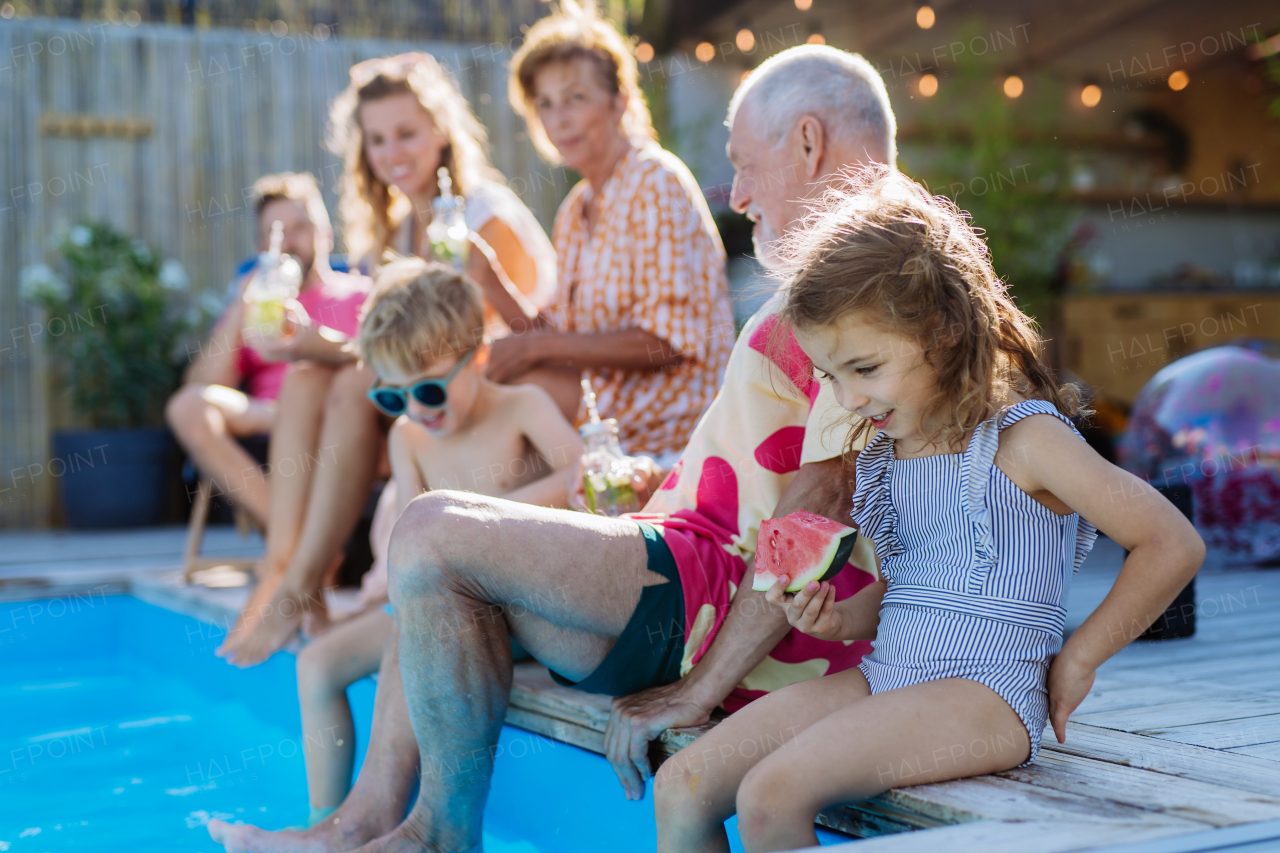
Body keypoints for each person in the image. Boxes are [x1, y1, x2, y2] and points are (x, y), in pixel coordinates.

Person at [207, 40, 898, 853]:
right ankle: (365, 827)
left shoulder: (858, 279)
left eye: (745, 166)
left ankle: (428, 835)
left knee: (433, 531)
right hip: (675, 545)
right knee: (438, 556)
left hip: (703, 575)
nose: (737, 195)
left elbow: (818, 497)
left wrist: (702, 686)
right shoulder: (846, 268)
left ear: (810, 143)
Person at [653, 166, 1207, 853]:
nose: (848, 399)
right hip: (890, 675)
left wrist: (1079, 656)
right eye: (830, 376)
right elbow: (910, 590)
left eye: (864, 368)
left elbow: (1171, 541)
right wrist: (838, 616)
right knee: (682, 782)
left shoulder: (1024, 440)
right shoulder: (891, 452)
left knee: (771, 796)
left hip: (987, 694)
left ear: (944, 329)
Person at [217, 51, 568, 666]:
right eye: (378, 139)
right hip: (428, 393)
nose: (393, 151)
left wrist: (484, 280)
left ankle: (298, 586)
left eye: (406, 132)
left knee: (351, 386)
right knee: (304, 379)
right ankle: (290, 575)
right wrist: (309, 345)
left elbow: (537, 337)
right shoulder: (403, 229)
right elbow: (397, 354)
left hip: (489, 391)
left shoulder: (481, 214)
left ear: (440, 130)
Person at [295, 258, 581, 823]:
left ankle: (379, 819)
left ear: (477, 356)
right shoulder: (411, 438)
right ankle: (322, 820)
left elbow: (586, 481)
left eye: (428, 389)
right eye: (395, 398)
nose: (418, 410)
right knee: (315, 665)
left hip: (516, 609)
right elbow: (410, 530)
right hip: (440, 603)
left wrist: (471, 518)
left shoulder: (522, 407)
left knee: (411, 634)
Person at [485, 0, 736, 463]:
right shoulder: (574, 209)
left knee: (508, 397)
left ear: (619, 100)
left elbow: (668, 342)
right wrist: (489, 280)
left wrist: (534, 347)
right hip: (606, 410)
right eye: (545, 104)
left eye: (576, 97)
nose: (559, 118)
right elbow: (562, 338)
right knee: (469, 383)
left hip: (669, 424)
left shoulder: (654, 180)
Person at [166, 172, 368, 530]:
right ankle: (293, 542)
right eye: (275, 232)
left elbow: (382, 364)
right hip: (266, 423)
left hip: (337, 422)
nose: (288, 242)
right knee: (187, 407)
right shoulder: (257, 303)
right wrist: (238, 309)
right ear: (261, 246)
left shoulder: (361, 294)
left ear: (325, 234)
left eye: (299, 227)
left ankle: (287, 551)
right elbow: (202, 384)